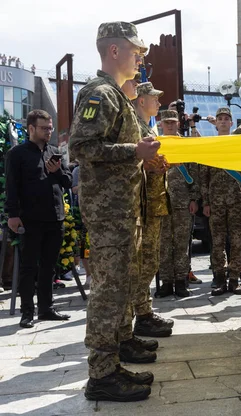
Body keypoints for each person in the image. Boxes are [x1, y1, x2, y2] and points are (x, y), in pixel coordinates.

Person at [70, 21, 160, 402]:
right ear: (114, 51)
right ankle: (102, 376)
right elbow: (81, 147)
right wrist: (134, 152)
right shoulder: (99, 94)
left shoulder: (116, 95)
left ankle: (116, 356)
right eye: (136, 51)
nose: (140, 57)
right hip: (109, 214)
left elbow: (114, 151)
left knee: (120, 285)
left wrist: (144, 159)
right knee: (108, 292)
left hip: (123, 210)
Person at [5, 109, 73, 328]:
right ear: (31, 128)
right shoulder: (17, 154)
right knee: (28, 267)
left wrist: (56, 172)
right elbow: (12, 186)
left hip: (55, 217)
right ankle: (27, 313)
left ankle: (46, 309)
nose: (48, 132)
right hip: (30, 219)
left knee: (49, 266)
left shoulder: (54, 151)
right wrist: (12, 215)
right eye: (44, 128)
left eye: (50, 128)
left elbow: (68, 181)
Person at [129, 82, 174, 337]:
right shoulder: (136, 128)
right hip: (142, 207)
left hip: (154, 203)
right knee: (144, 263)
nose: (158, 102)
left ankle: (144, 312)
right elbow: (133, 162)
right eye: (153, 98)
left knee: (150, 261)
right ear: (141, 101)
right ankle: (140, 314)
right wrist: (147, 167)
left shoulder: (149, 128)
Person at [201, 107, 241, 296]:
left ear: (231, 123)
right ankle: (219, 278)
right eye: (219, 118)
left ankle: (234, 279)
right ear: (216, 124)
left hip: (237, 201)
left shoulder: (239, 146)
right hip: (216, 203)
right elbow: (203, 176)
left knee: (237, 242)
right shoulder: (210, 147)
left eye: (226, 119)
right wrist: (205, 201)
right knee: (217, 242)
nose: (222, 121)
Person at [156, 109, 200, 298]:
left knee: (182, 244)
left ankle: (181, 282)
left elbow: (195, 171)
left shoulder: (186, 144)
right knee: (163, 244)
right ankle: (166, 282)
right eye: (167, 122)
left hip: (183, 202)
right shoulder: (155, 144)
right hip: (161, 202)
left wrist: (194, 198)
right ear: (161, 124)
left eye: (173, 122)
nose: (170, 125)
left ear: (178, 124)